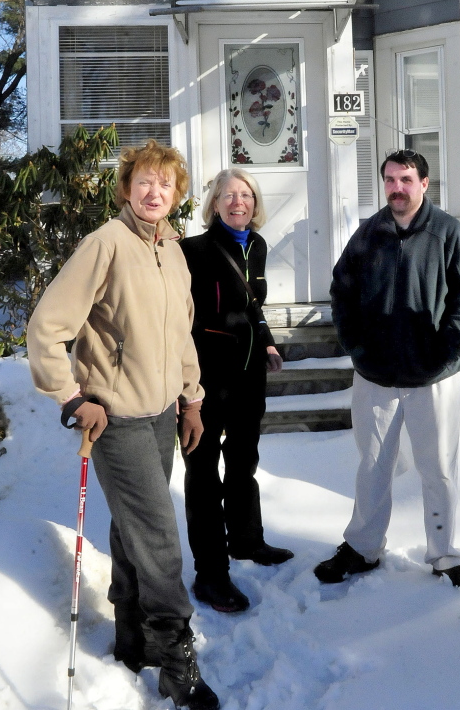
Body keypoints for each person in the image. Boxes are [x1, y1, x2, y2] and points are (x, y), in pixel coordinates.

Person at [26, 140, 219, 710]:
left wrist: (192, 400)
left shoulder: (173, 251)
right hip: (117, 419)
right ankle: (176, 656)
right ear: (127, 188)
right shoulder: (105, 244)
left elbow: (180, 337)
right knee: (159, 537)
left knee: (134, 529)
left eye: (165, 184)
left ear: (177, 194)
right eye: (144, 182)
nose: (154, 191)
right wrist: (71, 396)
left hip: (161, 416)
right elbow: (46, 326)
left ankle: (132, 638)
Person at [314, 150, 460, 586]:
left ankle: (445, 555)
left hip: (436, 377)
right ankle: (363, 547)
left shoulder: (448, 233)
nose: (397, 188)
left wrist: (447, 354)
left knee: (438, 467)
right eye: (390, 179)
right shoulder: (368, 234)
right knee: (373, 464)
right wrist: (358, 349)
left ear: (424, 184)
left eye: (406, 179)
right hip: (377, 376)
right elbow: (342, 293)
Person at [180, 168, 293, 615]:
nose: (237, 201)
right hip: (204, 380)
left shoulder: (259, 246)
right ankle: (210, 573)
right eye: (228, 195)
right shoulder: (193, 251)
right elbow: (180, 318)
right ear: (214, 204)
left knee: (244, 460)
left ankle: (247, 540)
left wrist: (266, 340)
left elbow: (253, 306)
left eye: (245, 194)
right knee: (203, 474)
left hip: (248, 378)